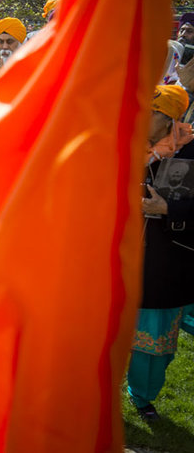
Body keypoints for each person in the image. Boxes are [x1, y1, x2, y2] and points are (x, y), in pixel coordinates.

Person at [127, 84, 194, 421]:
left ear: (169, 120)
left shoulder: (189, 153)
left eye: (149, 113)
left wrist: (168, 209)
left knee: (152, 341)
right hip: (115, 258)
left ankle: (142, 396)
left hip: (163, 264)